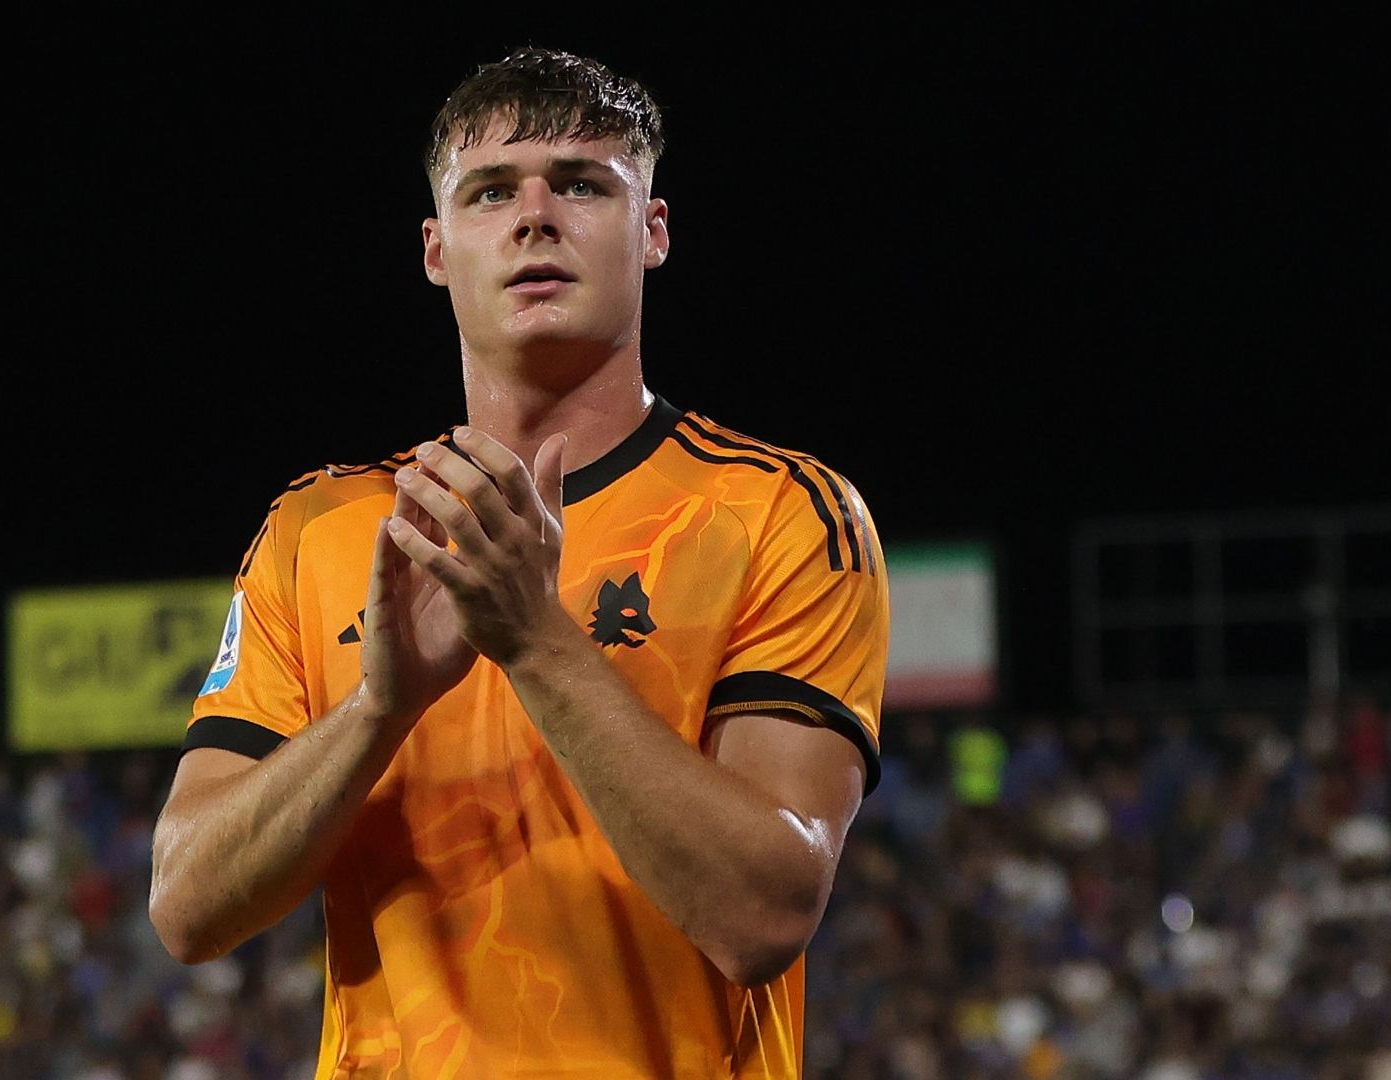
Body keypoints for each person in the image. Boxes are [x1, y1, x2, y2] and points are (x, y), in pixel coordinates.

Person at [150, 46, 889, 1078]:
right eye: (491, 191)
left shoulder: (781, 515)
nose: (535, 217)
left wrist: (534, 639)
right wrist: (380, 709)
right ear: (436, 248)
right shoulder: (320, 530)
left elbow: (763, 914)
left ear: (653, 231)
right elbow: (186, 906)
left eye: (581, 185)